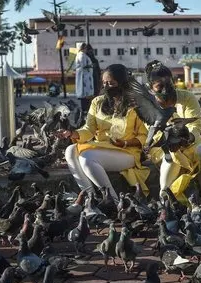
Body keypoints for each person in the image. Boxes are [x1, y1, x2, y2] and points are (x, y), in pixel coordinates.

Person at [59, 64, 149, 199]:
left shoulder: (136, 104)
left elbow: (144, 136)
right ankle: (90, 196)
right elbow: (89, 130)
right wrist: (72, 133)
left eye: (111, 83)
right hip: (101, 148)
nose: (106, 86)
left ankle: (113, 200)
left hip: (127, 152)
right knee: (70, 150)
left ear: (122, 83)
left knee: (86, 159)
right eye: (104, 83)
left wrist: (124, 143)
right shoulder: (97, 102)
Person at [145, 60, 201, 203]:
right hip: (162, 148)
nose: (166, 90)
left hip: (190, 142)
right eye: (160, 87)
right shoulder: (148, 106)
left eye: (169, 85)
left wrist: (188, 137)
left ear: (173, 82)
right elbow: (155, 134)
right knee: (172, 156)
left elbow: (195, 124)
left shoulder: (187, 97)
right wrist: (172, 141)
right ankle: (164, 198)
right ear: (150, 87)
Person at [74, 43, 94, 114]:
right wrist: (91, 65)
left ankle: (85, 109)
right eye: (85, 48)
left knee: (86, 96)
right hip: (84, 77)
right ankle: (84, 110)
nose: (86, 49)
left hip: (85, 76)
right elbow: (84, 65)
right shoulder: (82, 55)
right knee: (85, 95)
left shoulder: (81, 55)